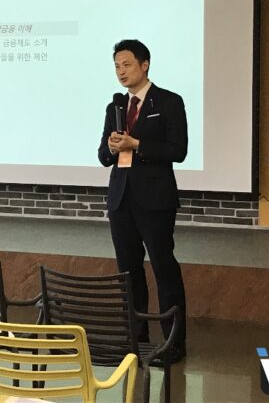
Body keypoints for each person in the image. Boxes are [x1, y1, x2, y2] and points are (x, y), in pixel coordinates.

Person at [98, 39, 188, 362]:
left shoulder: (169, 102)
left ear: (144, 64)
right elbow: (103, 155)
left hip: (155, 200)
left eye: (127, 65)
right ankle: (136, 339)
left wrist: (136, 144)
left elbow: (178, 150)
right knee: (128, 272)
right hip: (120, 199)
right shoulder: (115, 107)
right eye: (117, 67)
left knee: (164, 269)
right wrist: (111, 147)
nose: (121, 72)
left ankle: (174, 342)